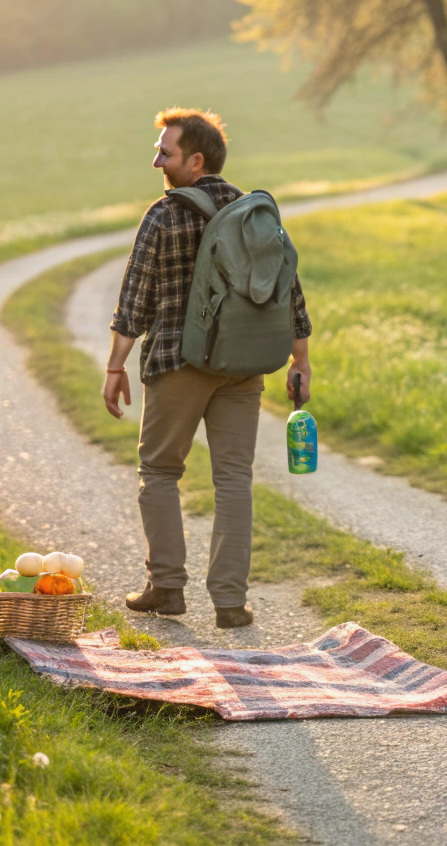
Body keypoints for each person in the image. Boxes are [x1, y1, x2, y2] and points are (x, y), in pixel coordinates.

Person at [104, 108, 312, 627]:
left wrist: (115, 368)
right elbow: (289, 290)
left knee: (159, 471)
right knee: (234, 479)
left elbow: (135, 299)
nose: (156, 161)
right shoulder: (254, 214)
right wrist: (299, 361)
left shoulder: (164, 214)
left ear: (196, 160)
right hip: (244, 364)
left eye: (164, 152)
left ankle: (167, 588)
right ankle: (229, 602)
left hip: (180, 362)